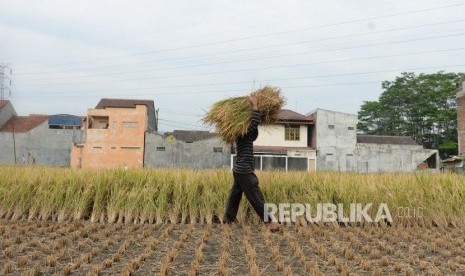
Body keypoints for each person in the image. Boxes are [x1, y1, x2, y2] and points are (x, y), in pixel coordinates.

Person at [223, 94, 280, 232]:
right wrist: (255, 106)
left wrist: (255, 118)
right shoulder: (242, 131)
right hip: (244, 169)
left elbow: (254, 130)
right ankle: (269, 221)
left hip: (240, 168)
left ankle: (227, 219)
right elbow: (254, 123)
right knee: (255, 195)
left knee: (235, 194)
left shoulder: (244, 133)